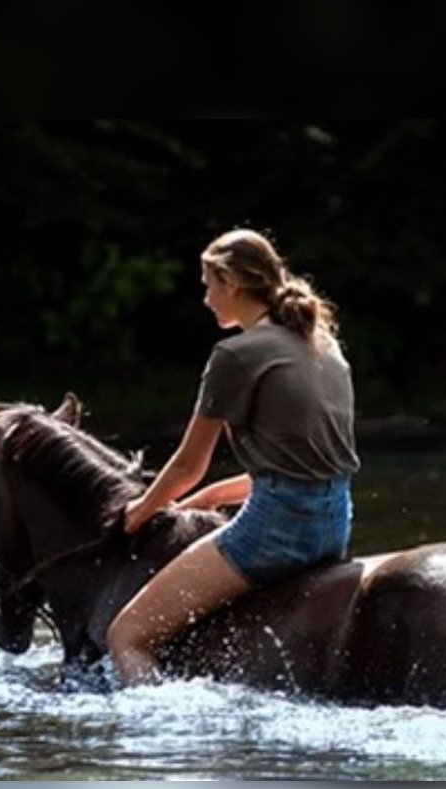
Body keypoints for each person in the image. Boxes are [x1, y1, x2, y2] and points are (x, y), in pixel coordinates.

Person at [107, 228, 360, 686]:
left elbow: (187, 465)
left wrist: (137, 514)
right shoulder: (323, 344)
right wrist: (211, 496)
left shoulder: (236, 355)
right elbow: (307, 465)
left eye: (208, 285)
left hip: (277, 532)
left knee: (127, 636)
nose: (205, 299)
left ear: (232, 283)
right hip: (335, 524)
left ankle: (154, 741)